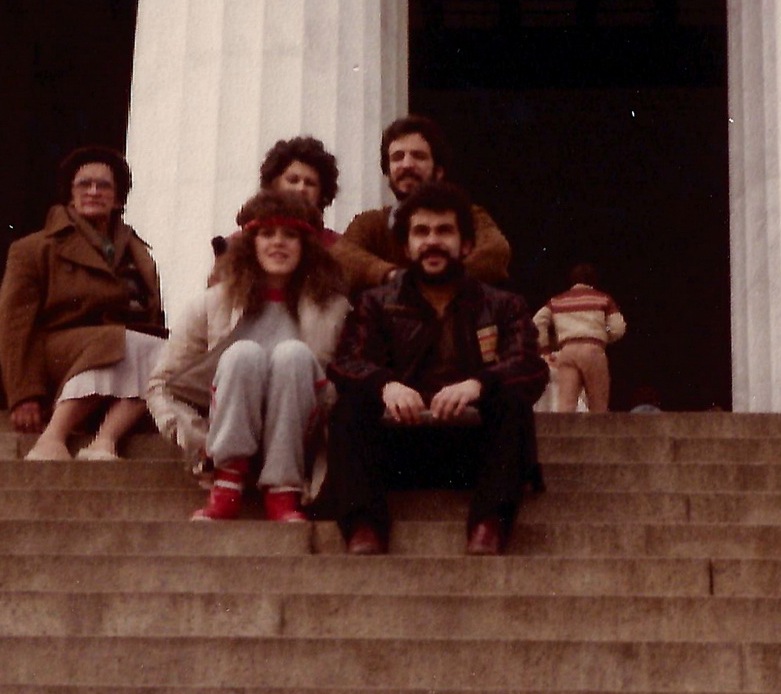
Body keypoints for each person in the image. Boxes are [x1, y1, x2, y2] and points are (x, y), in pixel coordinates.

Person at [320, 181, 546, 555]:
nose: (432, 241)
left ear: (466, 245)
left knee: (511, 403)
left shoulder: (504, 305)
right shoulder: (375, 304)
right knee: (349, 408)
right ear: (407, 247)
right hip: (399, 445)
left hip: (472, 450)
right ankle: (363, 526)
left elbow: (530, 367)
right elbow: (346, 363)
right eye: (421, 232)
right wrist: (385, 385)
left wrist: (478, 383)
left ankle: (490, 525)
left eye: (444, 231)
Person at [148, 189, 351, 522]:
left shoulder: (334, 308)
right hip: (222, 441)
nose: (278, 243)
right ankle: (227, 483)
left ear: (307, 245)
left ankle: (283, 491)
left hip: (298, 441)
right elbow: (162, 383)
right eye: (267, 233)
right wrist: (198, 441)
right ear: (250, 243)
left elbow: (342, 388)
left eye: (290, 235)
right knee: (243, 354)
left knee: (292, 356)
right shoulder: (214, 303)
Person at [0, 145, 166, 461]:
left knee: (167, 353)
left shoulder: (138, 253)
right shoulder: (33, 249)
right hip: (60, 356)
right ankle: (52, 438)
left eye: (104, 185)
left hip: (125, 355)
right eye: (84, 184)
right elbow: (13, 326)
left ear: (117, 199)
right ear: (70, 195)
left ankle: (105, 440)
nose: (93, 191)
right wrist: (24, 394)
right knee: (120, 342)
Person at [333, 115, 513, 291]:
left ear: (439, 170)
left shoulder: (469, 215)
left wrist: (434, 281)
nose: (407, 164)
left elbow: (495, 252)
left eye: (418, 156)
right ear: (387, 171)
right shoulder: (369, 223)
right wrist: (393, 276)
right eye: (397, 157)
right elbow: (341, 257)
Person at [210, 136, 344, 267]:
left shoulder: (337, 246)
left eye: (310, 183)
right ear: (274, 184)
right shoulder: (239, 243)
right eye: (293, 180)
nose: (301, 188)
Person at [533, 263, 626, 413]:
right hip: (593, 349)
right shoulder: (603, 299)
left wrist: (545, 349)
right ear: (594, 281)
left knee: (565, 405)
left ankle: (564, 435)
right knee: (598, 404)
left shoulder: (557, 300)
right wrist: (602, 335)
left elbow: (537, 322)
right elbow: (618, 328)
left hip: (567, 350)